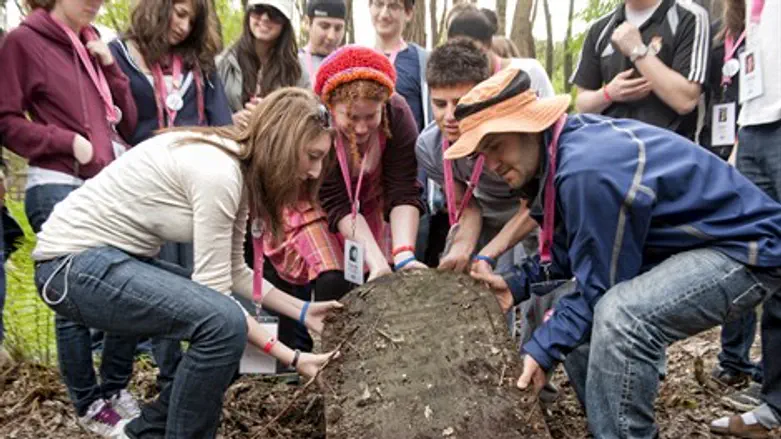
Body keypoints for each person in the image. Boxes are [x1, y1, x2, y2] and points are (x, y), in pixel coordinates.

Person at [445, 67, 781, 439]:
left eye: (496, 145)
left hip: (744, 249)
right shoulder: (558, 157)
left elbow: (601, 288)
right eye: (483, 153)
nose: (491, 165)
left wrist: (541, 351)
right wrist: (515, 284)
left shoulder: (587, 168)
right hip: (695, 249)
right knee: (574, 317)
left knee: (621, 315)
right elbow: (570, 256)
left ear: (529, 126)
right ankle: (609, 428)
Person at [33, 88, 341, 438]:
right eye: (312, 156)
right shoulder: (219, 173)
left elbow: (236, 271)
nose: (315, 171)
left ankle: (144, 432)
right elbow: (217, 299)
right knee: (223, 325)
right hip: (71, 267)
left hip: (110, 263)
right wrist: (294, 358)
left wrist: (304, 311)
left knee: (226, 332)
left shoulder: (237, 169)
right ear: (284, 144)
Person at [0, 0, 140, 435]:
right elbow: (5, 121)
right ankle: (89, 404)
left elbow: (128, 122)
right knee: (72, 299)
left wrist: (111, 70)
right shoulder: (24, 41)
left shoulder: (94, 43)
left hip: (108, 187)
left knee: (131, 286)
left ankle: (114, 388)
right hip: (57, 183)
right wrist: (66, 142)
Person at [256, 46, 426, 354]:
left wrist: (403, 255)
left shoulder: (398, 115)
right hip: (317, 202)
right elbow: (336, 202)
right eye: (350, 117)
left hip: (370, 203)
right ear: (331, 106)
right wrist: (375, 260)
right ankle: (324, 355)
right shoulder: (317, 123)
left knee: (378, 277)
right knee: (333, 276)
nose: (361, 128)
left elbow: (403, 188)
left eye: (371, 116)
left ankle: (369, 354)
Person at [417, 41, 566, 390]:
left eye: (460, 102)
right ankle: (475, 376)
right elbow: (466, 205)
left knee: (539, 291)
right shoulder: (429, 146)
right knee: (463, 277)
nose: (449, 116)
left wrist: (488, 254)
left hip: (531, 213)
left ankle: (534, 379)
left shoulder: (512, 136)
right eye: (440, 104)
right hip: (483, 211)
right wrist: (465, 247)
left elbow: (534, 206)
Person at [709, 1, 781, 437]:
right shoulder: (744, 14)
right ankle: (774, 402)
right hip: (753, 128)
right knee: (771, 268)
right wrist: (739, 142)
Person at [699, 0, 762, 397]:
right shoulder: (718, 32)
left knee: (765, 254)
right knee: (737, 252)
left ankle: (766, 369)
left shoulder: (765, 25)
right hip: (716, 150)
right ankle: (733, 360)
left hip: (753, 146)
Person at [570, 0, 710, 140]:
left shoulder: (690, 17)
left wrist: (637, 51)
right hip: (613, 144)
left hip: (669, 146)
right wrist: (608, 94)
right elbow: (582, 105)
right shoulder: (600, 28)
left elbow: (686, 101)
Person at [217, 0, 309, 128]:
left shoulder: (297, 71)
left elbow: (306, 118)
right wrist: (230, 121)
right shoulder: (223, 63)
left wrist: (272, 117)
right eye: (258, 9)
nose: (265, 18)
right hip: (229, 137)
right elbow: (207, 114)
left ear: (284, 22)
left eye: (274, 13)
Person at [298, 0, 346, 81]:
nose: (331, 36)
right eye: (324, 26)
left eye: (338, 28)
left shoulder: (350, 66)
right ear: (307, 23)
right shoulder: (293, 64)